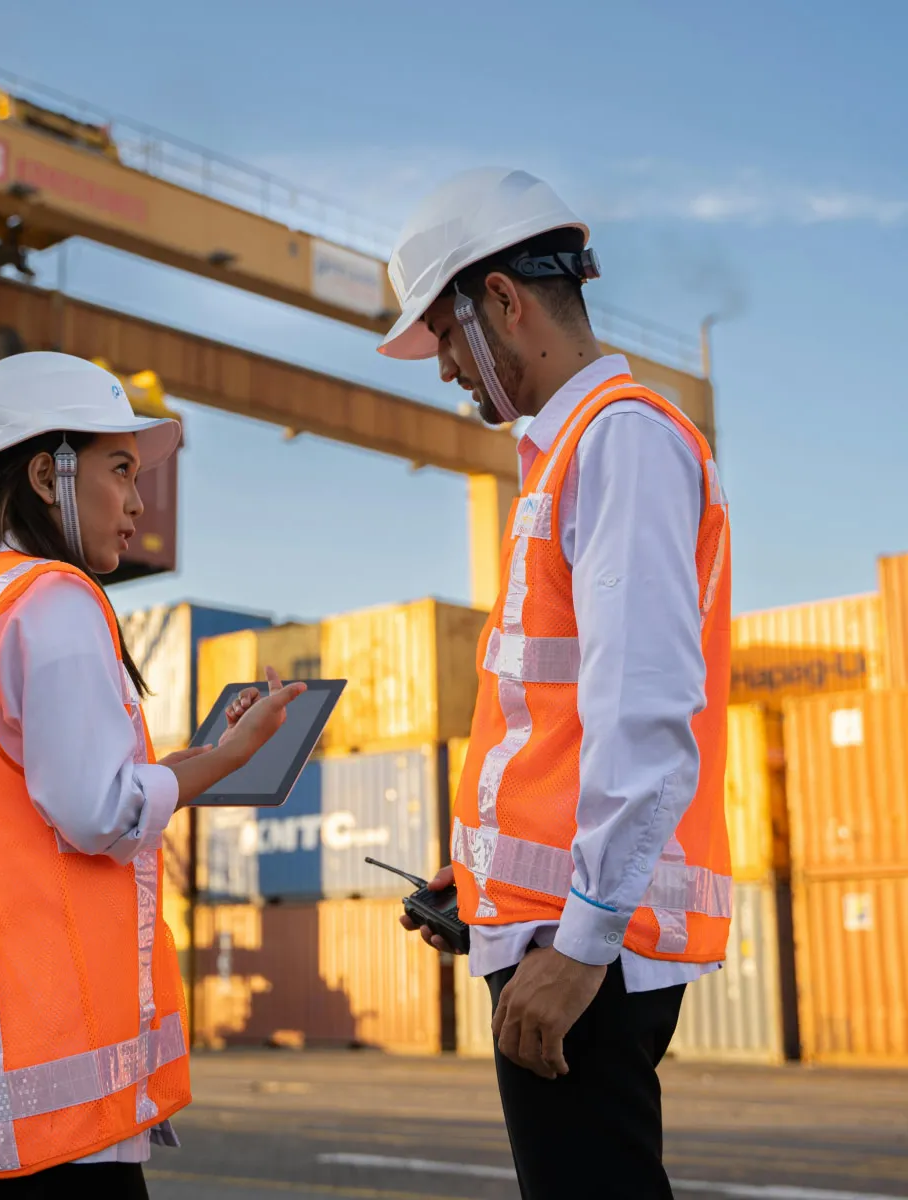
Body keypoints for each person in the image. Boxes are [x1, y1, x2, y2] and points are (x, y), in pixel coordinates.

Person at [382, 169, 732, 1199]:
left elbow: (645, 711)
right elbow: (560, 727)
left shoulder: (620, 441)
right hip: (553, 926)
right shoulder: (568, 458)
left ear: (502, 301)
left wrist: (579, 945)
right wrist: (479, 887)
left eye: (444, 336)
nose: (443, 366)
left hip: (584, 951)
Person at [0, 351, 305, 1198]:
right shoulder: (55, 598)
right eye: (121, 469)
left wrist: (190, 762)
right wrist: (224, 761)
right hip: (64, 1095)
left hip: (23, 1081)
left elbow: (59, 799)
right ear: (49, 473)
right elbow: (97, 813)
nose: (140, 500)